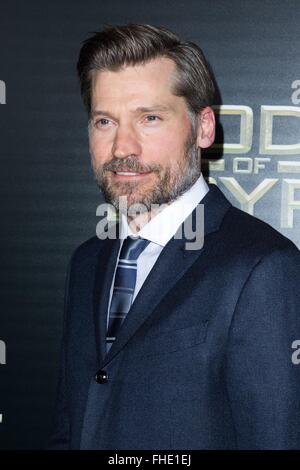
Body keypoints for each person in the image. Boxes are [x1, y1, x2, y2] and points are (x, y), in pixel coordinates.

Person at [48, 23, 300, 450]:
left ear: (203, 128)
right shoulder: (87, 262)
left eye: (149, 118)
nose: (122, 146)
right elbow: (71, 427)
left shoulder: (263, 268)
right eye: (105, 120)